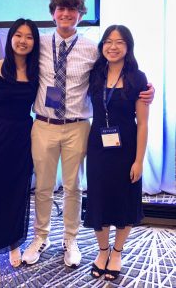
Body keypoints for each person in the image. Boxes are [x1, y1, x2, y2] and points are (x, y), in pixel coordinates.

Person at [0, 0, 155, 268]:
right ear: (53, 13)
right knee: (44, 186)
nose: (66, 14)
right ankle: (40, 237)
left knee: (73, 187)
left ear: (81, 15)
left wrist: (146, 90)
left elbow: (116, 71)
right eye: (61, 9)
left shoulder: (92, 48)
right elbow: (15, 64)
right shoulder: (38, 43)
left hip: (77, 126)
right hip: (44, 125)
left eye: (72, 9)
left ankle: (70, 240)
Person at [0, 18, 39, 286]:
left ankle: (13, 242)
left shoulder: (37, 71)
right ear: (11, 38)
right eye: (18, 35)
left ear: (34, 42)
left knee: (17, 191)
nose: (23, 41)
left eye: (29, 37)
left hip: (24, 136)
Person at [83, 25, 149, 281]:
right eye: (108, 41)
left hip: (127, 147)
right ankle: (102, 251)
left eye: (119, 42)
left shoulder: (138, 78)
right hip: (98, 147)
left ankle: (118, 252)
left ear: (128, 47)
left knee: (124, 199)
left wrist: (139, 160)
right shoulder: (94, 74)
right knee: (99, 199)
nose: (113, 46)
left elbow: (142, 123)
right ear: (102, 46)